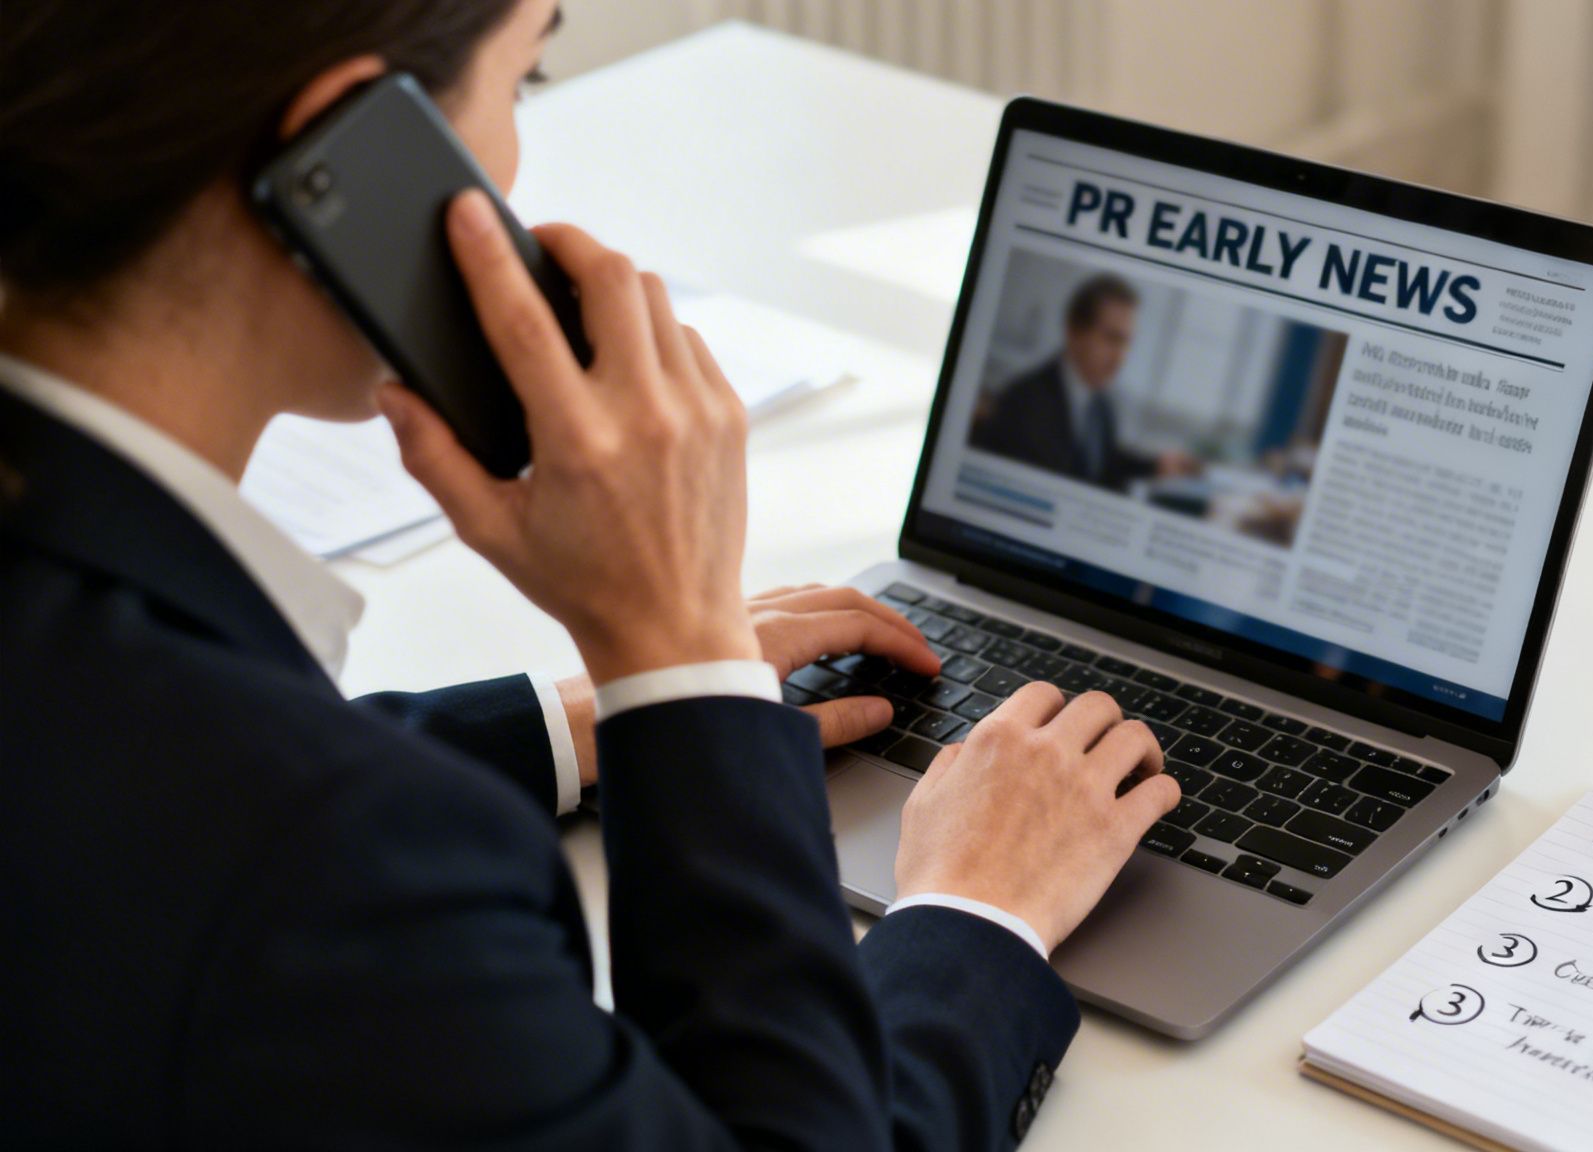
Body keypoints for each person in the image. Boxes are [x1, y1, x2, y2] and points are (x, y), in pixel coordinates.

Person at [0, 2, 1179, 1147]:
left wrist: (580, 723)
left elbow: (149, 766)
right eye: (522, 80)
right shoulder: (337, 866)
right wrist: (967, 907)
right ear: (348, 155)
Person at [972, 274, 1200, 491]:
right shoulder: (1023, 404)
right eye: (1112, 338)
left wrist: (1155, 465)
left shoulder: (1101, 405)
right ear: (1074, 332)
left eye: (1126, 343)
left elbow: (1101, 464)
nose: (1120, 357)